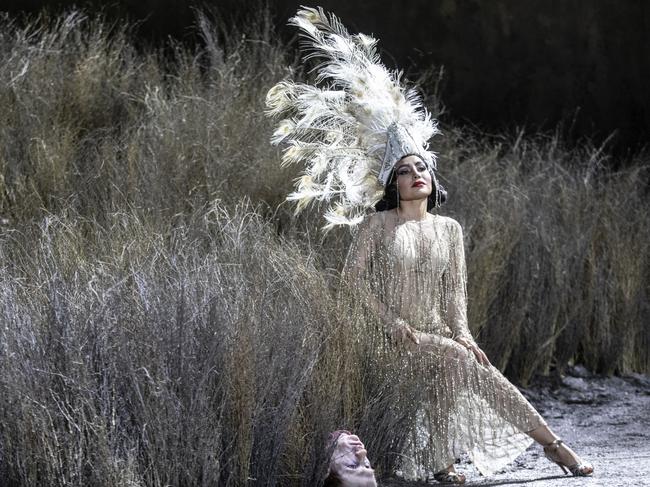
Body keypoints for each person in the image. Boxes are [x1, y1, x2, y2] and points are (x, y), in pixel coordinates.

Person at [266, 7, 594, 483]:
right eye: (403, 170)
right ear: (391, 183)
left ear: (432, 177)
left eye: (421, 167)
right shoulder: (377, 227)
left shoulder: (450, 229)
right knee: (459, 363)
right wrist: (392, 322)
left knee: (465, 359)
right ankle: (552, 446)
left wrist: (464, 332)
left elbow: (455, 292)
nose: (415, 174)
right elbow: (351, 282)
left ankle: (469, 458)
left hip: (438, 334)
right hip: (388, 338)